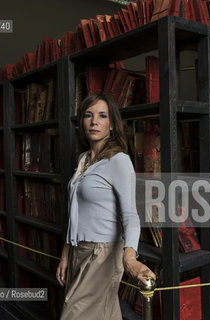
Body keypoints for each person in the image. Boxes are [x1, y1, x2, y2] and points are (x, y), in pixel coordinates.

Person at [56, 93, 156, 320]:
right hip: (78, 251)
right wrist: (66, 254)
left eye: (102, 116)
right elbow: (74, 212)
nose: (94, 122)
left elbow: (131, 214)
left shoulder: (118, 161)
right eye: (88, 115)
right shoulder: (84, 159)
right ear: (82, 122)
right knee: (105, 315)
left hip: (102, 254)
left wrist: (129, 257)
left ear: (112, 124)